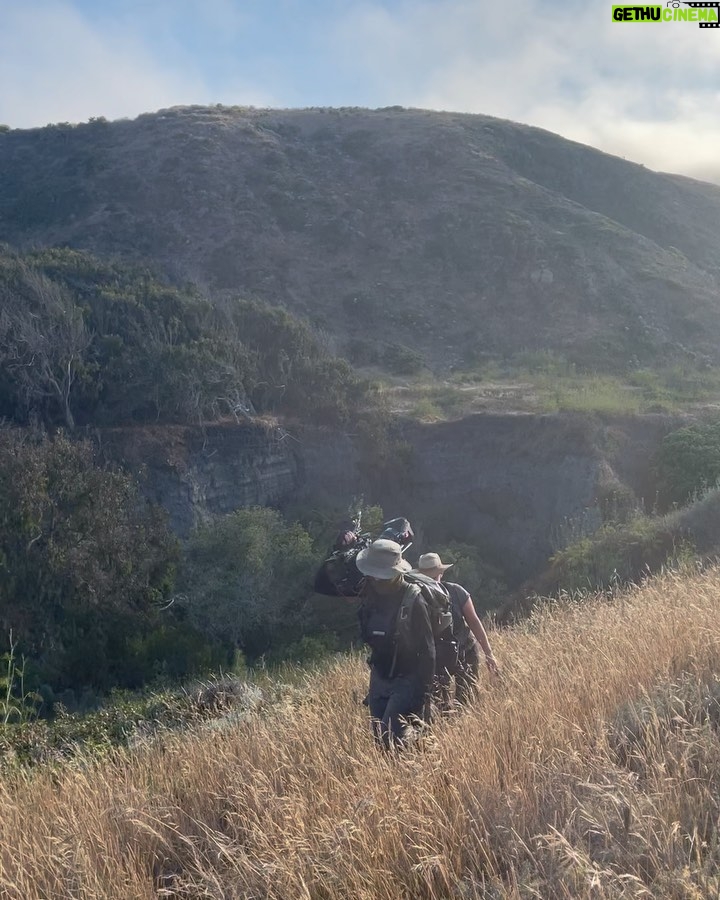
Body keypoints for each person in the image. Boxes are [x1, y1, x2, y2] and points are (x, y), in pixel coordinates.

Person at [353, 539, 437, 749]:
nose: (375, 579)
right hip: (379, 676)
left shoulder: (414, 599)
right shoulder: (369, 593)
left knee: (390, 736)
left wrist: (423, 695)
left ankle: (416, 769)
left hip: (407, 679)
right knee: (380, 739)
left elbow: (428, 652)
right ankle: (396, 775)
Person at [415, 552, 499, 709]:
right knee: (439, 704)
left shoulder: (455, 592)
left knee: (466, 699)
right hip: (437, 656)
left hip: (463, 651)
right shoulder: (418, 597)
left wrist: (489, 654)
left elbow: (474, 622)